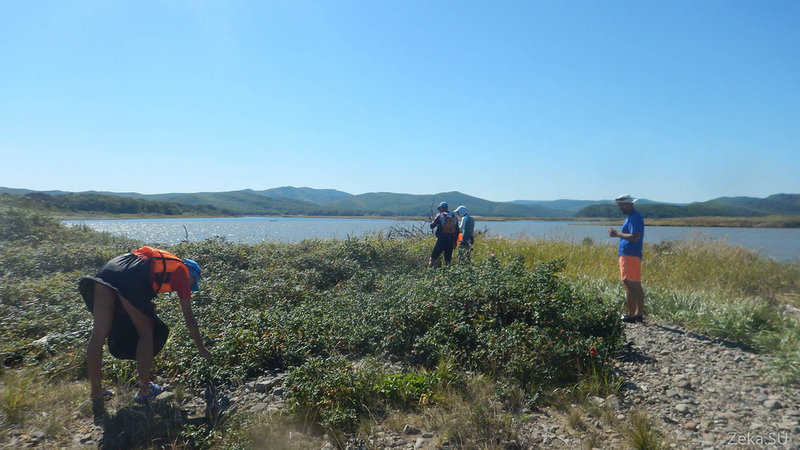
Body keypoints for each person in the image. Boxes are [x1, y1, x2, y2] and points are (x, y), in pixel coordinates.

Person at [79, 246, 212, 410]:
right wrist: (201, 348)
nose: (191, 287)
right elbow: (189, 318)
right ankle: (144, 390)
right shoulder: (183, 273)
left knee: (98, 333)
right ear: (192, 274)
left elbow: (138, 281)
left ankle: (96, 392)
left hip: (110, 269)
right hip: (131, 276)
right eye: (194, 283)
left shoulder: (157, 264)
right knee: (147, 332)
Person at [608, 194, 645, 323]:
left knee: (629, 283)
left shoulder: (634, 217)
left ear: (628, 204)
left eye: (621, 205)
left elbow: (635, 237)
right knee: (635, 284)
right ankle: (638, 314)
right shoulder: (633, 217)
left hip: (629, 253)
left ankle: (631, 315)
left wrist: (617, 233)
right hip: (631, 254)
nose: (620, 208)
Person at [429, 202, 459, 267]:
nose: (439, 210)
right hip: (450, 240)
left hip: (441, 240)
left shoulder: (440, 216)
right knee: (448, 260)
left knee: (432, 258)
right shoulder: (454, 217)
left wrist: (433, 220)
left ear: (442, 208)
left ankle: (428, 270)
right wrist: (455, 242)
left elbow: (432, 226)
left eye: (440, 209)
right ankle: (448, 273)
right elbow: (457, 231)